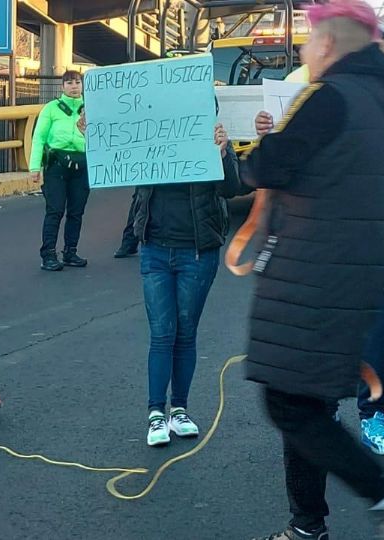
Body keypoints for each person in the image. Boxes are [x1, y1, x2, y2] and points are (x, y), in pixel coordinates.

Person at [241, 2, 384, 538]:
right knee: (305, 403)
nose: (304, 52)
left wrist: (257, 147)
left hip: (311, 275)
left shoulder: (330, 97)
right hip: (350, 273)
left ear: (327, 46)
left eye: (307, 43)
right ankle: (309, 525)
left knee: (290, 404)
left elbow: (266, 165)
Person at [255, 24, 384, 456]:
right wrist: (268, 131)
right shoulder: (323, 97)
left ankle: (375, 415)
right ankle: (327, 408)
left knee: (382, 339)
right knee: (332, 337)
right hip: (335, 251)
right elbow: (286, 161)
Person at [134, 122, 246, 446]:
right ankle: (156, 413)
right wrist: (97, 136)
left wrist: (224, 152)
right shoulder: (148, 133)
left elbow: (232, 188)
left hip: (197, 252)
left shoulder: (215, 138)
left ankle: (179, 409)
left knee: (185, 332)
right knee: (162, 332)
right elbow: (119, 164)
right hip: (154, 248)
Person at [29, 70, 89, 271]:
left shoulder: (89, 109)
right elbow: (39, 138)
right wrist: (34, 167)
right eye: (70, 83)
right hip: (57, 165)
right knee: (55, 210)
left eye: (78, 82)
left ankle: (70, 251)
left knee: (76, 212)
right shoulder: (52, 108)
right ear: (62, 86)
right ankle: (48, 254)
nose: (74, 86)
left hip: (82, 165)